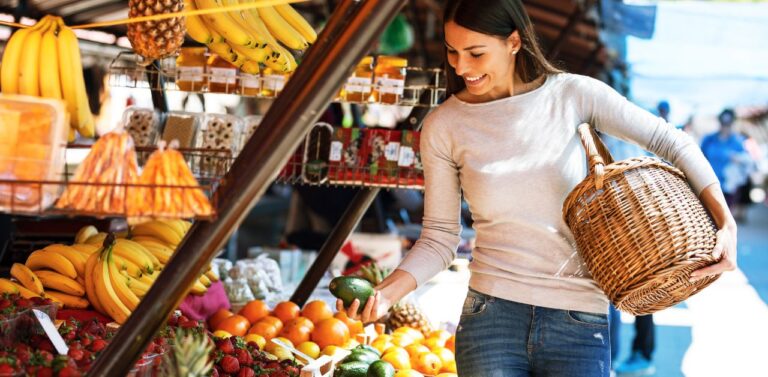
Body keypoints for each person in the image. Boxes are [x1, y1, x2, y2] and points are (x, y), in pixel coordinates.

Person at [338, 1, 738, 375]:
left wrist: (725, 222)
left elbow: (673, 142)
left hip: (579, 321)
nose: (461, 66)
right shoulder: (445, 125)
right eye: (452, 51)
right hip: (490, 321)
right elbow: (439, 239)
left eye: (476, 53)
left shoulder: (573, 95)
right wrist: (386, 293)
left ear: (513, 42)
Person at [610, 101, 673, 377]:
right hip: (637, 224)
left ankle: (636, 356)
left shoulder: (620, 138)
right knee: (637, 293)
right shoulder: (627, 137)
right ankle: (636, 355)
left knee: (638, 293)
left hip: (633, 225)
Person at [701, 109, 753, 222]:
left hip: (728, 187)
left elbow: (746, 163)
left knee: (723, 220)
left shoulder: (737, 142)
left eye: (728, 124)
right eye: (723, 123)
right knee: (706, 218)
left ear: (732, 123)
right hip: (708, 184)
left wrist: (737, 159)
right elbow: (699, 157)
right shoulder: (709, 139)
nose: (725, 126)